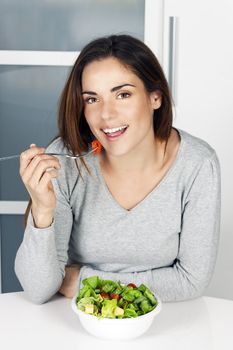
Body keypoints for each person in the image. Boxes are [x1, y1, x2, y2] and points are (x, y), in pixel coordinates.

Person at [14, 34, 221, 304]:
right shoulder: (65, 159)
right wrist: (42, 210)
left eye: (122, 94)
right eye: (92, 99)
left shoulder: (197, 164)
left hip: (164, 324)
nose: (106, 115)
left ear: (155, 97)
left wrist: (84, 281)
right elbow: (38, 289)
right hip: (73, 323)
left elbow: (191, 281)